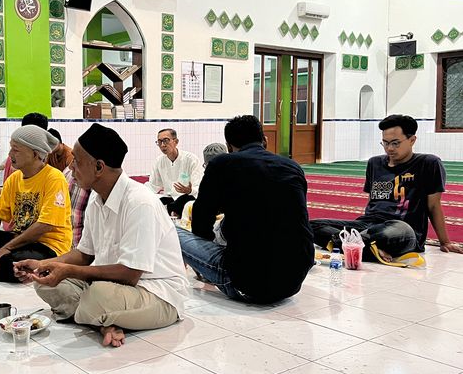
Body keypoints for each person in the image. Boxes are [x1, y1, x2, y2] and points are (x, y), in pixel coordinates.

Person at [14, 124, 188, 348]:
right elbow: (84, 254)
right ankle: (104, 320)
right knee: (45, 282)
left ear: (98, 167)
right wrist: (42, 264)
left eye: (76, 160)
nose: (71, 166)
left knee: (97, 295)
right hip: (114, 287)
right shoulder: (97, 200)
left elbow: (130, 274)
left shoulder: (139, 202)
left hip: (157, 294)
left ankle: (100, 317)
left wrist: (69, 271)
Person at [176, 115, 313, 304]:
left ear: (229, 145)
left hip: (245, 283)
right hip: (294, 281)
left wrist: (204, 262)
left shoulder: (222, 164)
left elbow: (201, 219)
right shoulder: (293, 166)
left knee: (173, 230)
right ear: (264, 140)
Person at [311, 114, 463, 259]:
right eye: (385, 143)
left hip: (403, 228)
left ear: (412, 140)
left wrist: (445, 242)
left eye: (395, 143)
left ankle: (349, 244)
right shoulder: (374, 163)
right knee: (312, 226)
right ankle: (364, 247)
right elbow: (372, 202)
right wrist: (362, 229)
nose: (389, 148)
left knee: (394, 232)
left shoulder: (428, 164)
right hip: (368, 225)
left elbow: (434, 206)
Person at [0, 125, 72, 282]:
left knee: (9, 262)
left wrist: (6, 248)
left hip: (48, 246)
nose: (10, 154)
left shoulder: (54, 178)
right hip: (19, 239)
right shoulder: (14, 178)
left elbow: (44, 225)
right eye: (11, 148)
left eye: (16, 149)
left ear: (35, 153)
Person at [147, 128, 204, 216]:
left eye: (166, 141)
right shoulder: (159, 161)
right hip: (169, 198)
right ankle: (170, 211)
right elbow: (153, 186)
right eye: (159, 142)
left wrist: (189, 190)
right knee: (152, 202)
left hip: (187, 197)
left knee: (184, 201)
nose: (162, 145)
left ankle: (171, 211)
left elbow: (198, 188)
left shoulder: (191, 159)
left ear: (176, 142)